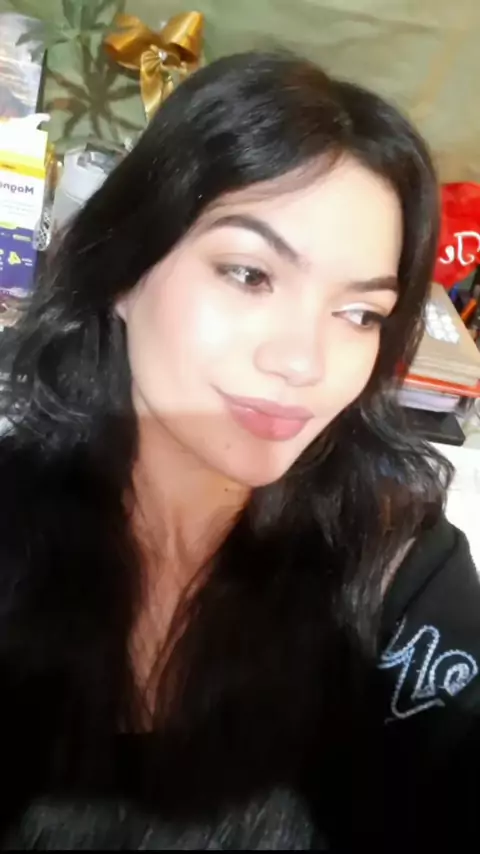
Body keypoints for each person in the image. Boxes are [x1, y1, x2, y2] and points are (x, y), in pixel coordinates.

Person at [0, 50, 478, 851]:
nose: (304, 363)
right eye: (250, 275)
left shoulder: (395, 569)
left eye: (359, 314)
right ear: (124, 271)